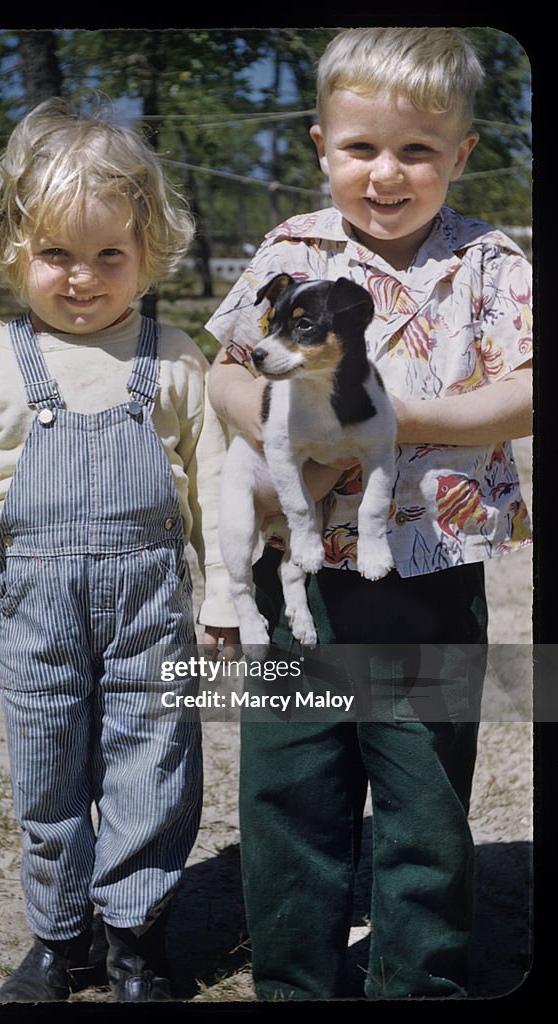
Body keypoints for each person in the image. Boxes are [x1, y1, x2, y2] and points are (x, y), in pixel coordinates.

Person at [0, 97, 237, 1003]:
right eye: (56, 254)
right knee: (47, 773)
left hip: (151, 613)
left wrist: (225, 601)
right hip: (33, 616)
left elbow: (220, 494)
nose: (82, 279)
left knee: (152, 766)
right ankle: (60, 939)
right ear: (13, 250)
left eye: (108, 255)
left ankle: (136, 942)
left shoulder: (174, 361)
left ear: (148, 253)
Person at [205, 27, 532, 999]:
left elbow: (527, 386)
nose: (385, 174)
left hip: (426, 577)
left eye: (416, 150)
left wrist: (407, 415)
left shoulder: (488, 262)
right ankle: (295, 981)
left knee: (422, 798)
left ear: (460, 154)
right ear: (318, 143)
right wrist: (273, 416)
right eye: (360, 148)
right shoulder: (290, 249)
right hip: (296, 572)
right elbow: (223, 363)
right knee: (289, 794)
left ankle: (416, 980)